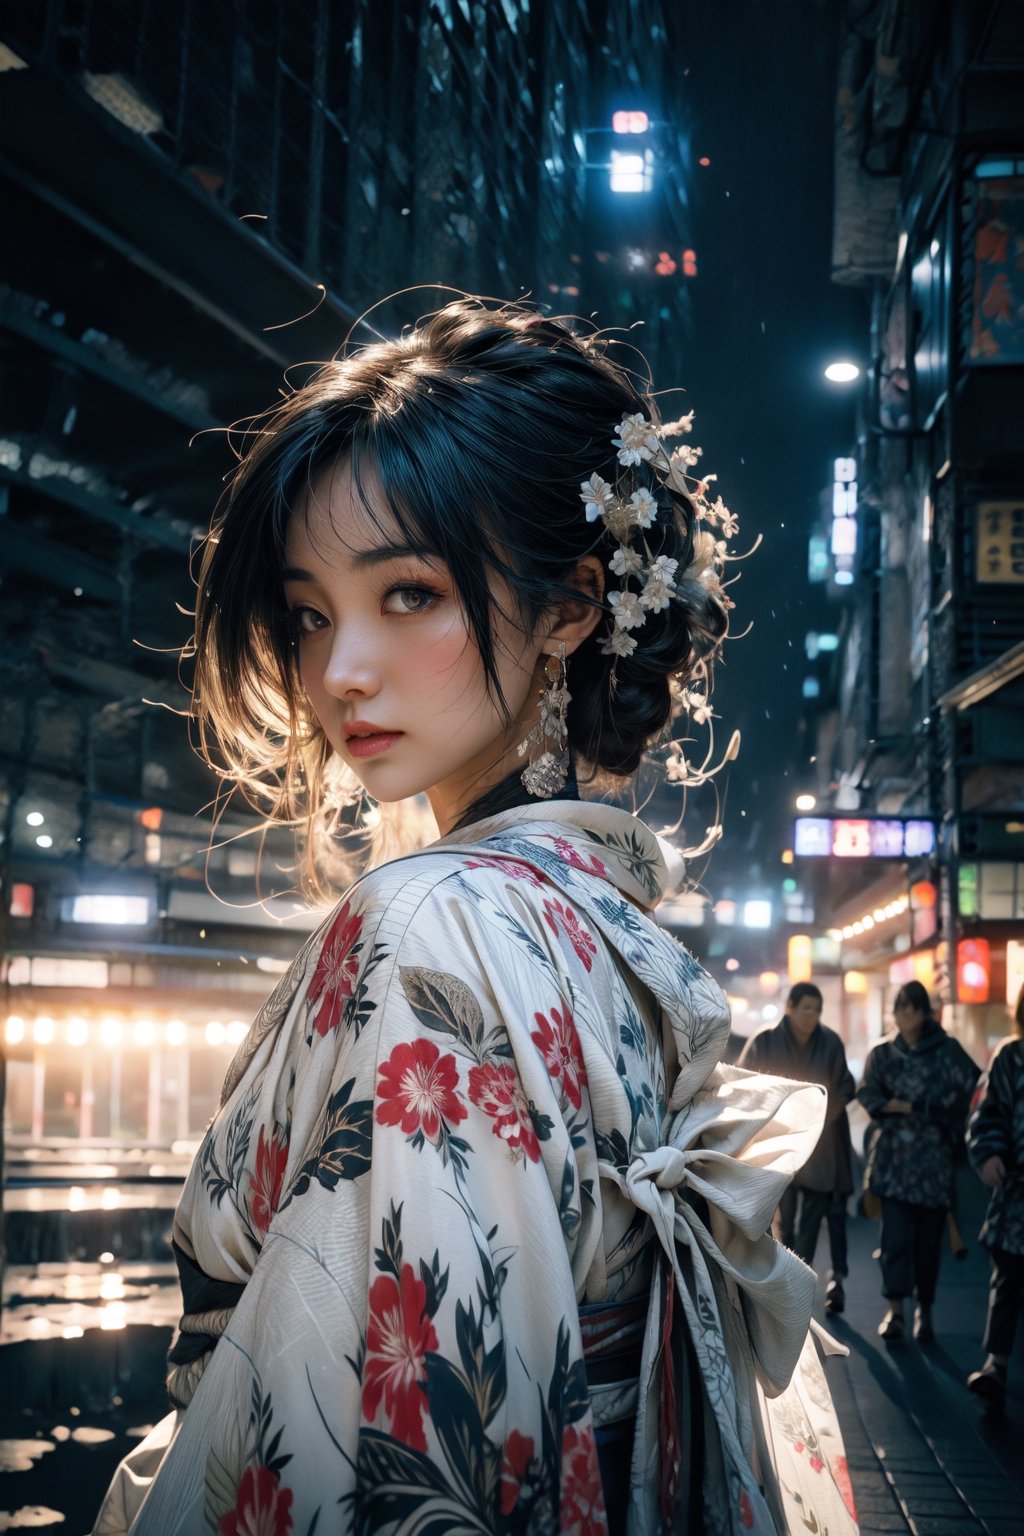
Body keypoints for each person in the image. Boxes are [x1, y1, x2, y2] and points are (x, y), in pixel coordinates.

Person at [93, 298, 859, 1536]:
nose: (340, 668)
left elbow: (405, 1455)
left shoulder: (428, 922)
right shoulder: (610, 923)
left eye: (407, 595)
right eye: (307, 613)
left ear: (568, 607)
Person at [858, 980, 979, 1343]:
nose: (905, 1014)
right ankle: (895, 1310)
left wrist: (918, 1109)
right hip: (893, 1164)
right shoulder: (882, 1053)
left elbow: (972, 1092)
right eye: (900, 1007)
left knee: (928, 1245)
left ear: (925, 1011)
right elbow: (867, 1092)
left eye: (912, 1007)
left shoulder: (948, 1050)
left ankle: (924, 1310)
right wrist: (889, 1107)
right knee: (894, 1241)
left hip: (933, 1167)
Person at [739, 983, 855, 1314]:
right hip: (779, 1141)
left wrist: (820, 1117)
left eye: (817, 1010)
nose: (812, 1016)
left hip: (822, 1141)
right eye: (806, 1008)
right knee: (782, 1219)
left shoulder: (830, 1042)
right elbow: (746, 1085)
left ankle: (796, 1282)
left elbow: (845, 1088)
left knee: (813, 1217)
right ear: (790, 1007)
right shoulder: (765, 1039)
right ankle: (784, 1280)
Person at [965, 982, 1024, 1410]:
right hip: (1017, 1193)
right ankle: (996, 1364)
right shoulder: (1012, 1057)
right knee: (1007, 1278)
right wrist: (989, 1155)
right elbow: (986, 1114)